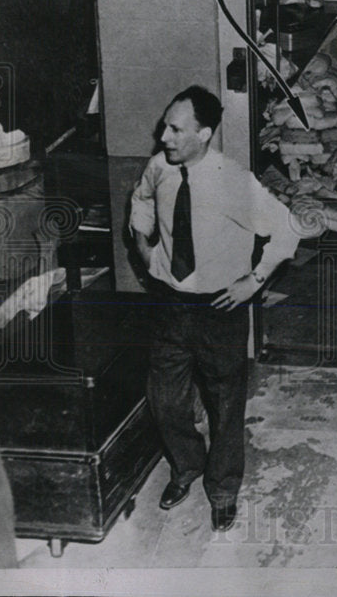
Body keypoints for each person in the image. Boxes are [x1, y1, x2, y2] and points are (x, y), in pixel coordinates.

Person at [130, 85, 299, 531]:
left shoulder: (233, 181)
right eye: (165, 125)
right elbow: (142, 199)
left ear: (204, 134)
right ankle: (186, 466)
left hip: (220, 307)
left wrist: (255, 280)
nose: (163, 136)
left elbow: (287, 230)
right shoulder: (158, 169)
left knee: (226, 405)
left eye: (175, 129)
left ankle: (223, 488)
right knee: (163, 400)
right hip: (170, 303)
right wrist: (143, 245)